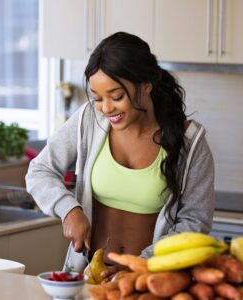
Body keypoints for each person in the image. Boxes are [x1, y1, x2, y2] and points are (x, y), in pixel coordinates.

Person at [25, 32, 215, 281]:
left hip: (149, 282)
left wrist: (140, 265)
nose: (106, 108)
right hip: (88, 278)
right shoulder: (89, 119)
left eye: (116, 96)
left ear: (146, 85)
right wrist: (69, 209)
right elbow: (39, 171)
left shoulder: (190, 141)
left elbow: (194, 222)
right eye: (97, 98)